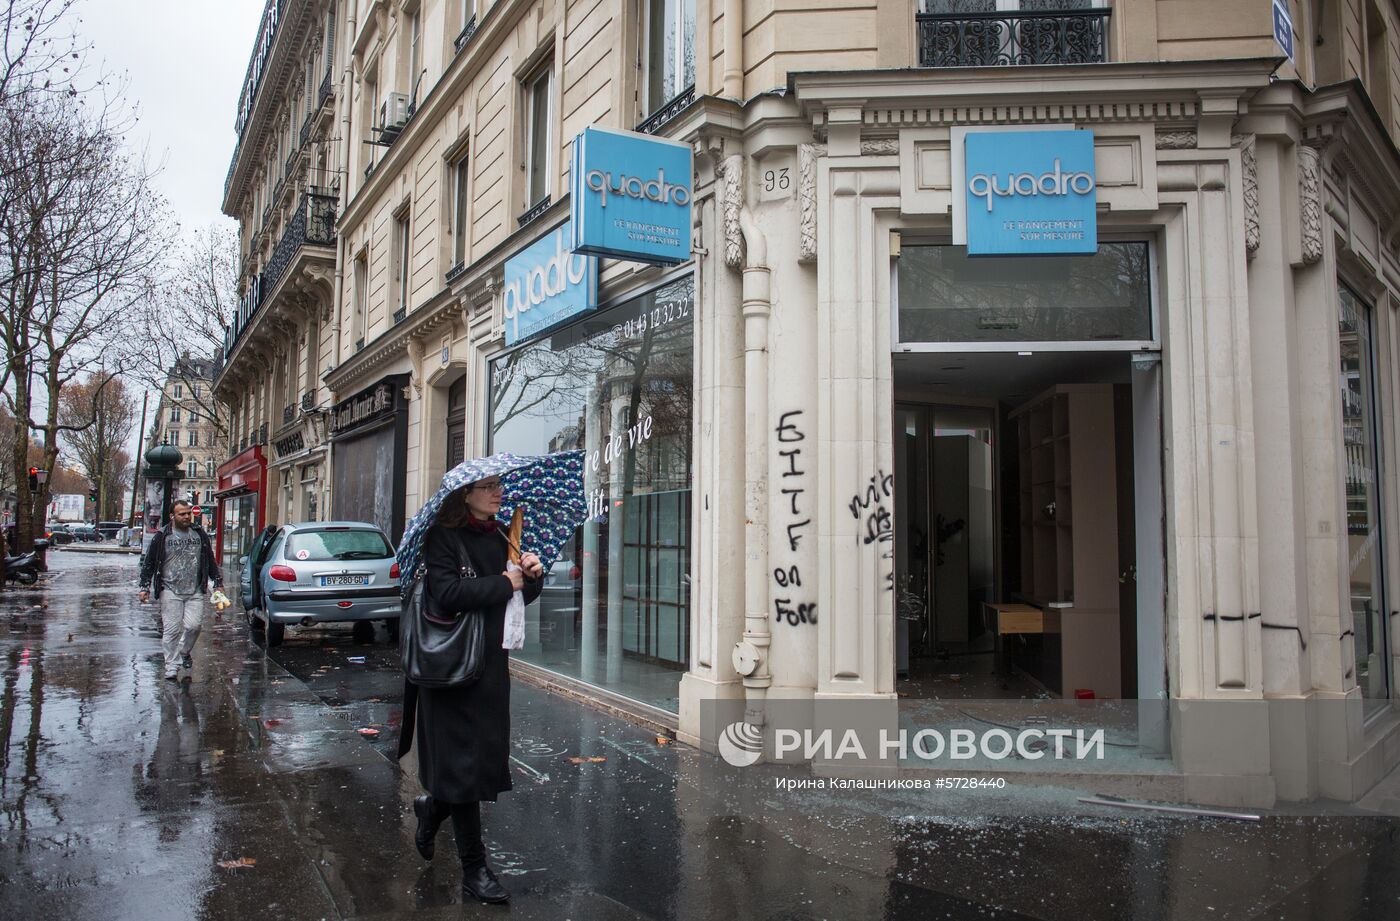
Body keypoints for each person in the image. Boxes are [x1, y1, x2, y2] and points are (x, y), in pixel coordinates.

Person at [399, 475, 543, 904]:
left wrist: (530, 575)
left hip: (491, 666)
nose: (498, 493)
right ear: (466, 496)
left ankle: (433, 807)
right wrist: (507, 582)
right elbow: (446, 594)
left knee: (480, 761)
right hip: (452, 667)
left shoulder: (504, 534)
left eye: (499, 486)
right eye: (489, 487)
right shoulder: (443, 538)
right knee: (463, 764)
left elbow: (513, 598)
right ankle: (474, 870)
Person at [138, 500, 224, 681]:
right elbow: (149, 562)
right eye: (182, 514)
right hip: (169, 589)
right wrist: (144, 587)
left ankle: (184, 651)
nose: (186, 516)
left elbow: (209, 559)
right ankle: (171, 665)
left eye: (188, 513)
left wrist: (217, 582)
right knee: (171, 630)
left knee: (194, 626)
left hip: (195, 589)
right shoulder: (162, 536)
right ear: (172, 516)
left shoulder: (199, 534)